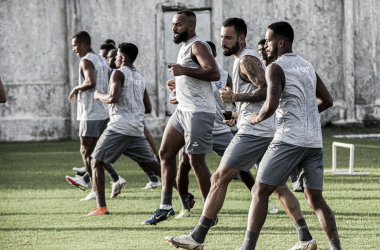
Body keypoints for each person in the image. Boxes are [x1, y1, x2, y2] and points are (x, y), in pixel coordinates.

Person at [165, 18, 317, 250]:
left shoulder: (246, 59)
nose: (223, 42)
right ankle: (306, 238)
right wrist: (237, 111)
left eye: (229, 38)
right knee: (277, 187)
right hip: (263, 129)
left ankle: (197, 237)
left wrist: (235, 98)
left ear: (242, 38)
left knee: (218, 178)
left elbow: (266, 91)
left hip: (254, 133)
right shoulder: (243, 60)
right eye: (222, 37)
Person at [234, 21, 340, 250]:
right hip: (313, 141)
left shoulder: (275, 67)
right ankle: (335, 248)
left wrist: (256, 118)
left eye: (269, 41)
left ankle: (247, 247)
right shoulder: (307, 66)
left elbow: (270, 106)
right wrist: (305, 113)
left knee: (260, 190)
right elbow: (327, 100)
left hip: (288, 139)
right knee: (315, 200)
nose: (266, 46)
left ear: (280, 42)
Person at [142, 9, 220, 225]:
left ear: (191, 26)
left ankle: (209, 213)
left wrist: (183, 71)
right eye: (174, 24)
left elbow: (213, 73)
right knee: (165, 153)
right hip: (183, 110)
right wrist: (178, 85)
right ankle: (166, 207)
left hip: (199, 112)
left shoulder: (198, 45)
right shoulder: (185, 47)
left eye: (178, 24)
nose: (174, 28)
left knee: (196, 161)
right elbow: (193, 75)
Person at [87, 42, 162, 216]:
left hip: (119, 127)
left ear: (123, 57)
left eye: (116, 55)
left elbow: (113, 98)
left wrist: (98, 95)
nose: (112, 58)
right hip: (136, 128)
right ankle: (184, 194)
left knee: (96, 161)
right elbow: (148, 108)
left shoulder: (118, 73)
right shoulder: (140, 77)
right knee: (153, 164)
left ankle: (101, 208)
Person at [68, 31, 126, 202]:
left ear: (83, 45)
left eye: (75, 45)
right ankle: (116, 179)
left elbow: (90, 82)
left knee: (86, 152)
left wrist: (75, 88)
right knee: (97, 152)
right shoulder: (101, 59)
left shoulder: (86, 60)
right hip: (103, 111)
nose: (74, 49)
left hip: (90, 112)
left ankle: (94, 189)